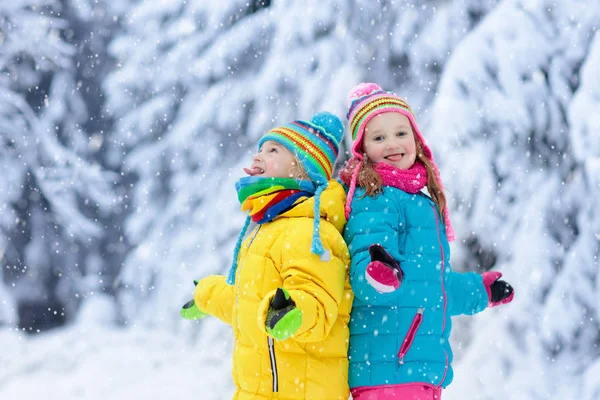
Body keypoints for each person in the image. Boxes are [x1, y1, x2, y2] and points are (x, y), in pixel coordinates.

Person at [339, 83, 514, 400]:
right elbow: (366, 262)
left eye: (401, 133)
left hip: (419, 370)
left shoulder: (423, 203)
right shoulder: (374, 196)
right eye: (378, 137)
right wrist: (376, 272)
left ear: (416, 140)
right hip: (387, 367)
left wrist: (480, 291)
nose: (393, 143)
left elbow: (435, 286)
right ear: (363, 150)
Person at [181, 112, 353, 400]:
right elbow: (246, 300)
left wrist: (293, 311)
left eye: (272, 150)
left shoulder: (309, 232)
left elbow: (320, 304)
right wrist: (206, 295)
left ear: (301, 170)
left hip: (299, 392)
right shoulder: (267, 229)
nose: (258, 156)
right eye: (260, 149)